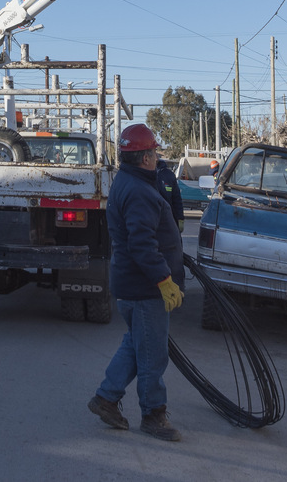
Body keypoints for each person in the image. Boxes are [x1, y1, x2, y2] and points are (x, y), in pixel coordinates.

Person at [88, 124, 186, 442]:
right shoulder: (140, 191)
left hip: (133, 284)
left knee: (135, 344)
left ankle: (106, 398)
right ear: (145, 158)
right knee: (152, 355)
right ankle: (153, 416)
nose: (157, 158)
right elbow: (142, 244)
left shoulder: (128, 183)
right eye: (155, 152)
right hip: (145, 289)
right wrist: (164, 280)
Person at [154, 156, 185, 232]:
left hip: (167, 220)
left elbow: (176, 199)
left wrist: (180, 218)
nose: (155, 156)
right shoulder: (142, 175)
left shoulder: (168, 175)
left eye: (155, 152)